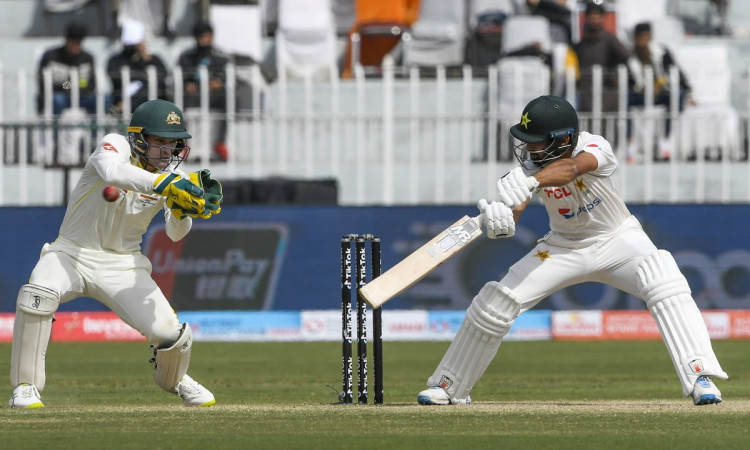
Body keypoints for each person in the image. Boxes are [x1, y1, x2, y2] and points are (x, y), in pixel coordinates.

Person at [416, 95, 727, 407]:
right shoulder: (527, 168)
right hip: (561, 247)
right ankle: (449, 386)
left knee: (662, 277)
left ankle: (700, 377)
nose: (530, 149)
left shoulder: (595, 147)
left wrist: (529, 182)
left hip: (619, 239)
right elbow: (515, 212)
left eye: (537, 142)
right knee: (495, 302)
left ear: (564, 138)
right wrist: (503, 218)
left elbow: (573, 168)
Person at [8, 99, 223, 409]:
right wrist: (168, 186)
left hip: (124, 265)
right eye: (159, 141)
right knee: (37, 293)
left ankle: (177, 380)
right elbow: (112, 173)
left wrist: (180, 212)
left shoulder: (173, 177)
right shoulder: (115, 145)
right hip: (71, 253)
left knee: (169, 333)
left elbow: (176, 234)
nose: (167, 151)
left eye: (172, 143)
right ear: (138, 138)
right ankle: (26, 387)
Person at [627, 21, 695, 157]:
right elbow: (628, 81)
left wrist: (688, 91)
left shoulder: (661, 52)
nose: (643, 41)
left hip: (660, 92)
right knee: (624, 102)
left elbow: (675, 71)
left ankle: (665, 139)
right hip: (639, 94)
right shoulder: (630, 56)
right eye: (640, 37)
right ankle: (631, 141)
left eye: (646, 37)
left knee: (677, 97)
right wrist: (644, 88)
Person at [178, 22, 231, 161]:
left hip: (214, 98)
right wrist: (189, 84)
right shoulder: (187, 57)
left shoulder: (221, 57)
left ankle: (220, 143)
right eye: (202, 37)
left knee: (227, 101)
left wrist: (214, 84)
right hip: (192, 97)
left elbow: (222, 80)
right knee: (178, 101)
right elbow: (183, 79)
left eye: (208, 37)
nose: (205, 41)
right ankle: (183, 143)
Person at [572, 2, 629, 112]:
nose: (594, 19)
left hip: (606, 93)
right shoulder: (583, 41)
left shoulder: (610, 39)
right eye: (591, 16)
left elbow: (625, 56)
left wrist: (613, 75)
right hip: (586, 93)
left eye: (597, 16)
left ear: (602, 18)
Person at [107, 19, 169, 114]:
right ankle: (125, 106)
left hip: (149, 102)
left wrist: (144, 58)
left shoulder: (152, 59)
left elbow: (162, 75)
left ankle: (127, 105)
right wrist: (143, 78)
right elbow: (118, 79)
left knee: (152, 85)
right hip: (123, 97)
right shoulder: (116, 60)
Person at [36, 22, 98, 115]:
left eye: (79, 43)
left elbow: (91, 84)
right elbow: (44, 84)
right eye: (74, 43)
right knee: (57, 99)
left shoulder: (87, 58)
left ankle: (95, 129)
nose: (76, 47)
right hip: (59, 97)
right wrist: (69, 86)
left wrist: (77, 87)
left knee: (102, 100)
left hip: (81, 96)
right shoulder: (51, 57)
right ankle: (55, 129)